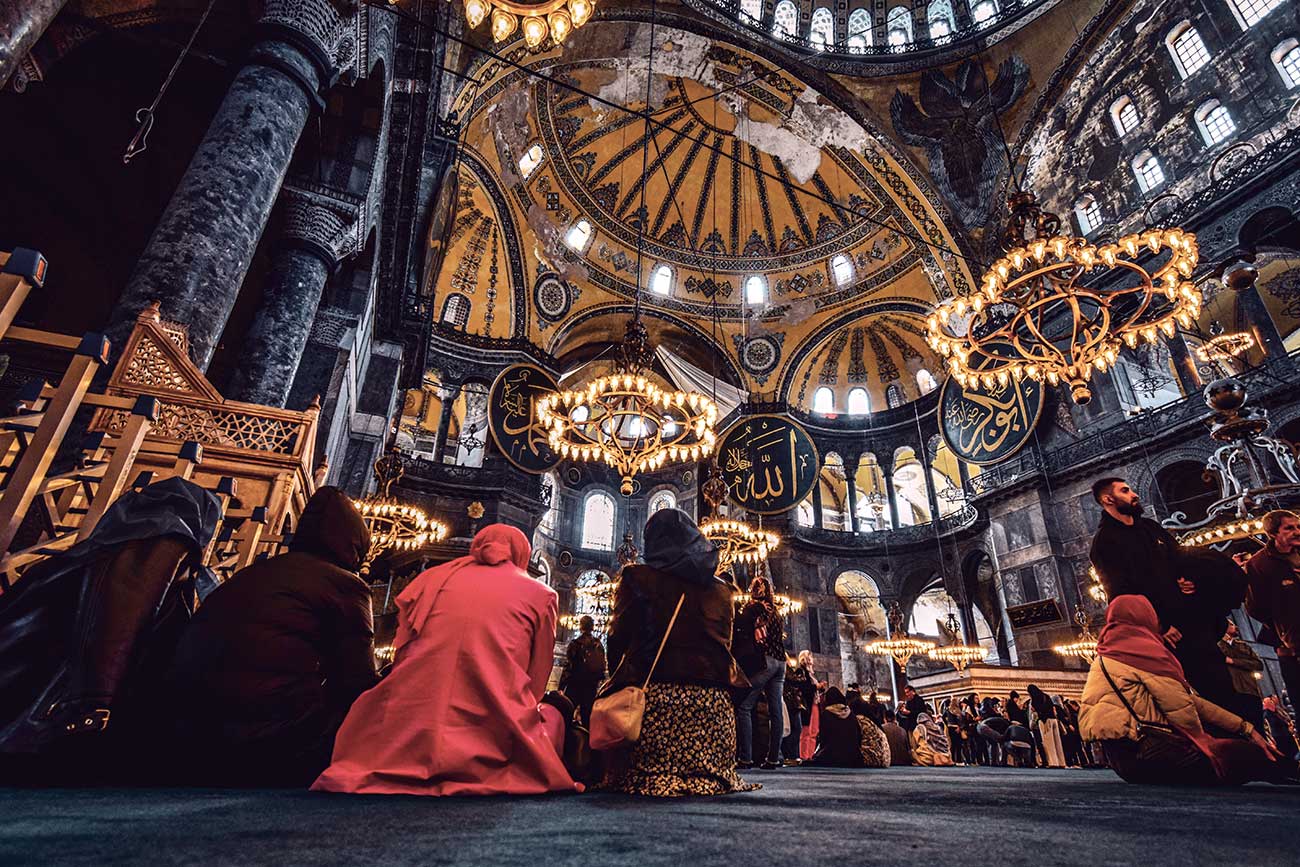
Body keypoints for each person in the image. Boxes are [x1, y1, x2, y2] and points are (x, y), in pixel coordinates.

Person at [312, 524, 578, 796]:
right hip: (492, 731)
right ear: (522, 552)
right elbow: (537, 678)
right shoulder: (542, 594)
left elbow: (402, 654)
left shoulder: (430, 580)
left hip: (409, 729)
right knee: (555, 712)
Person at [165, 487, 377, 787]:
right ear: (356, 544)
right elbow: (359, 685)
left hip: (182, 733)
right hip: (268, 740)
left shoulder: (256, 572)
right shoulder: (345, 585)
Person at [602, 509, 756, 797]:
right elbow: (726, 646)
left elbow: (617, 639)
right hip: (715, 718)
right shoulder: (724, 590)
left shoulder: (635, 577)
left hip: (649, 713)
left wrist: (617, 684)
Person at [1078, 595, 1294, 786]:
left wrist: (1244, 727)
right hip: (1155, 754)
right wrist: (1209, 742)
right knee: (1248, 755)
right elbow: (1181, 709)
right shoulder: (1142, 654)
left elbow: (1187, 701)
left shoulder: (1104, 656)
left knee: (1243, 754)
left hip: (1124, 762)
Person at [1088, 478, 1183, 637]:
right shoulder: (1104, 542)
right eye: (1125, 491)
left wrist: (1186, 578)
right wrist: (1160, 626)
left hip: (1185, 612)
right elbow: (1121, 594)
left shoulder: (1150, 527)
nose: (1135, 495)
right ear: (1108, 499)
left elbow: (1179, 556)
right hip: (1161, 631)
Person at [1245, 510, 1300, 706]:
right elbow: (1255, 608)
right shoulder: (1259, 564)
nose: (1297, 531)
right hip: (1292, 646)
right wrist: (1282, 633)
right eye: (1289, 528)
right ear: (1273, 533)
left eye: (1298, 526)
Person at [734, 576, 787, 770]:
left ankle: (745, 758)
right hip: (782, 661)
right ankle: (773, 759)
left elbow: (756, 635)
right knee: (776, 712)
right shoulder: (777, 611)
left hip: (767, 661)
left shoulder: (758, 609)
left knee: (744, 707)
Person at [560, 615, 606, 728]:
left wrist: (561, 685)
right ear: (592, 627)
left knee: (566, 714)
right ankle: (586, 743)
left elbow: (569, 666)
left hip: (575, 685)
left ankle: (567, 742)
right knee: (588, 719)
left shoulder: (575, 644)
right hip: (591, 686)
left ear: (581, 626)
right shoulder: (598, 644)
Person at [1219, 619, 1265, 729]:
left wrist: (1233, 661)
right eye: (1231, 624)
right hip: (1232, 692)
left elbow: (1259, 664)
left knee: (1258, 727)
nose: (1235, 627)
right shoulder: (1218, 645)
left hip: (1251, 691)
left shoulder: (1243, 646)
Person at [782, 652, 816, 765]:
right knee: (795, 729)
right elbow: (798, 681)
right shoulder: (793, 671)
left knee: (797, 729)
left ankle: (794, 755)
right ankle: (791, 756)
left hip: (794, 702)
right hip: (791, 702)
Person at [1028, 684, 1066, 768]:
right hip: (1054, 720)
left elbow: (1036, 711)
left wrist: (1035, 710)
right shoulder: (1046, 696)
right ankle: (1061, 762)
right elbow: (1052, 708)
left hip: (1045, 721)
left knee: (1049, 743)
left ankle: (1053, 763)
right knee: (1057, 742)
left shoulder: (1035, 699)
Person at [1262, 695, 1299, 759]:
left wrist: (1289, 726)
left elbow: (1284, 720)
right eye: (1270, 702)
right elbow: (1268, 729)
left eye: (1272, 702)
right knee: (1290, 755)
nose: (1272, 703)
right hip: (1280, 738)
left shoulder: (1276, 711)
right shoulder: (1266, 715)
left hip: (1287, 735)